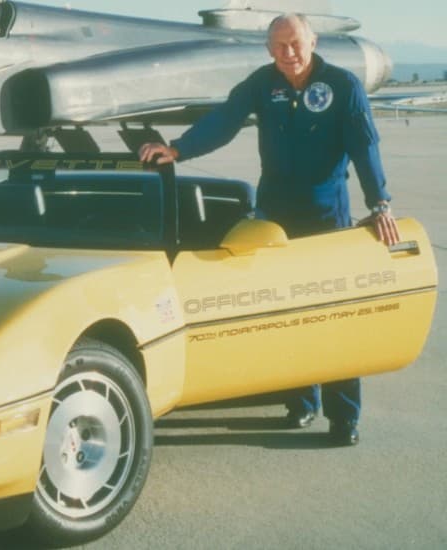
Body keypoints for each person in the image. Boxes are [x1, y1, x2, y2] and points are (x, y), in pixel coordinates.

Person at [139, 13, 400, 446]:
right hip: (276, 217)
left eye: (295, 43)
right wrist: (178, 148)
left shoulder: (342, 86)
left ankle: (343, 416)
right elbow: (223, 120)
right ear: (268, 50)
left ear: (313, 41)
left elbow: (364, 146)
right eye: (279, 46)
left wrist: (380, 204)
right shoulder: (262, 84)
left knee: (334, 317)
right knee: (287, 315)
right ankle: (301, 402)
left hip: (326, 218)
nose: (289, 53)